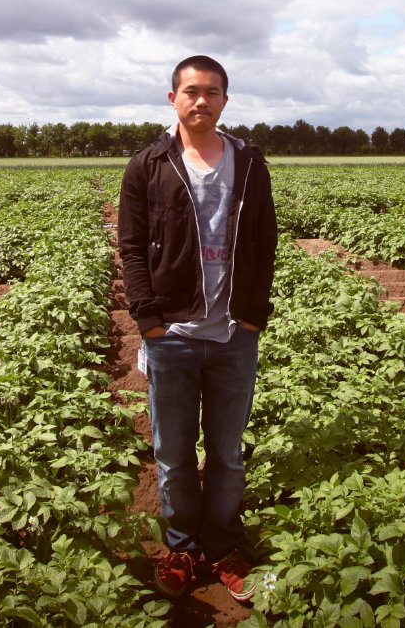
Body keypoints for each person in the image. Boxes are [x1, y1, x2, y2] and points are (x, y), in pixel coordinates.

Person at [118, 55, 277, 602]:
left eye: (212, 92)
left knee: (228, 454)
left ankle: (225, 545)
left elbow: (265, 238)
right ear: (173, 99)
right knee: (174, 454)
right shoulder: (148, 164)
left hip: (234, 332)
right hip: (174, 337)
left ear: (225, 101)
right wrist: (150, 321)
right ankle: (183, 545)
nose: (201, 101)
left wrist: (255, 315)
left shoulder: (251, 163)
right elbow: (132, 247)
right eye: (190, 91)